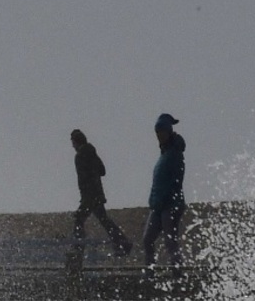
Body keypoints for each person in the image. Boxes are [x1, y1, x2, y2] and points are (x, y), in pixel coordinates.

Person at [70, 129, 132, 257]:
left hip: (89, 196)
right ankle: (122, 243)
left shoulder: (80, 156)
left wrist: (85, 198)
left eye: (73, 143)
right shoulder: (93, 153)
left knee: (78, 219)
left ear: (76, 142)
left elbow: (83, 179)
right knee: (104, 220)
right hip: (97, 194)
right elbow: (102, 171)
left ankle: (78, 246)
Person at [142, 113, 186, 269]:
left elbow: (176, 180)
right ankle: (150, 271)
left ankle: (178, 271)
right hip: (157, 206)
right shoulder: (164, 154)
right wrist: (153, 201)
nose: (159, 136)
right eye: (157, 133)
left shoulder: (175, 154)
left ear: (168, 132)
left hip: (170, 204)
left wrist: (167, 199)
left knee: (170, 240)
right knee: (147, 239)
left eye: (161, 132)